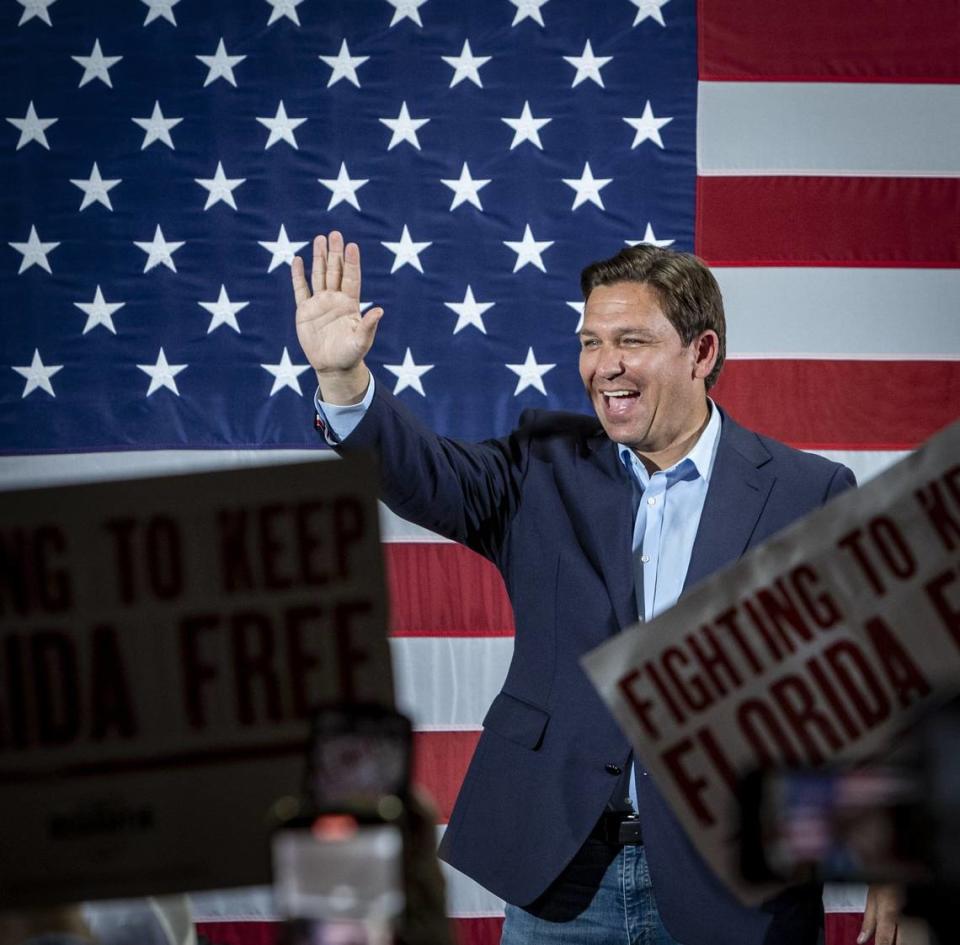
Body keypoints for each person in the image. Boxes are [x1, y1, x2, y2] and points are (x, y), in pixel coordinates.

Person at [291, 231, 903, 945]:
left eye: (631, 340)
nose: (603, 366)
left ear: (701, 353)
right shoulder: (543, 463)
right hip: (564, 884)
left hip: (732, 890)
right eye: (590, 340)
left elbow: (866, 686)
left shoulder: (808, 491)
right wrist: (345, 386)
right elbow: (426, 474)